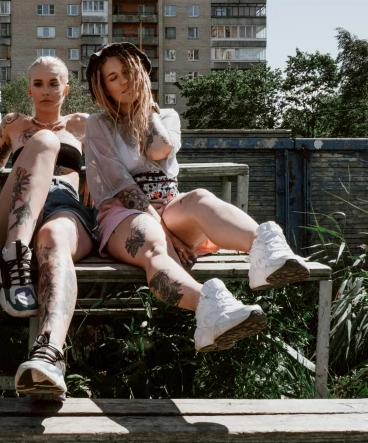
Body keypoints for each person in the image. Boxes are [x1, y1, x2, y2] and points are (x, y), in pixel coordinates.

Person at [84, 42, 309, 353]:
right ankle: (210, 309)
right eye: (113, 77)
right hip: (124, 214)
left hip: (170, 206)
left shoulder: (168, 117)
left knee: (201, 196)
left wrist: (146, 108)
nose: (123, 81)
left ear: (141, 74)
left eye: (128, 72)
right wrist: (163, 230)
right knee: (152, 241)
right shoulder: (99, 125)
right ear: (103, 87)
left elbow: (157, 149)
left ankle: (265, 252)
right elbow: (120, 184)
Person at [0, 56, 95, 400]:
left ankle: (47, 355)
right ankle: (14, 256)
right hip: (15, 216)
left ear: (66, 88)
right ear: (29, 87)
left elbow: (109, 163)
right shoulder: (14, 124)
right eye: (39, 84)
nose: (46, 91)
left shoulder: (82, 124)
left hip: (64, 208)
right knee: (44, 141)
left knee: (56, 237)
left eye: (54, 83)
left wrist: (89, 173)